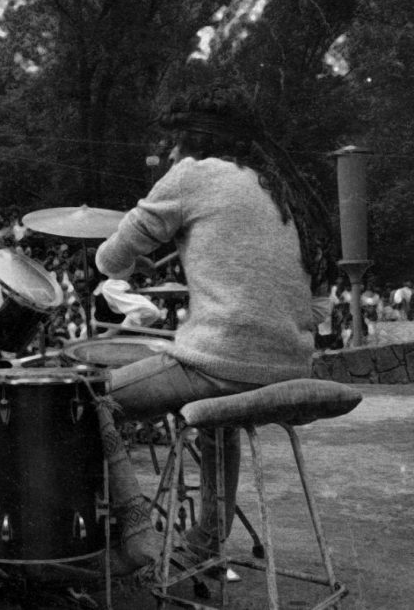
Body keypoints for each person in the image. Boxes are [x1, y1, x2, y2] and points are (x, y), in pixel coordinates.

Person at [93, 85, 333, 575]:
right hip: (289, 367)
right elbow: (321, 306)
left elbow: (109, 260)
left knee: (88, 402)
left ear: (193, 141)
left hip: (223, 365)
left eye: (175, 144)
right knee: (214, 416)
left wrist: (138, 254)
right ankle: (205, 540)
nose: (171, 153)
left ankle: (136, 535)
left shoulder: (192, 176)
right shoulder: (278, 187)